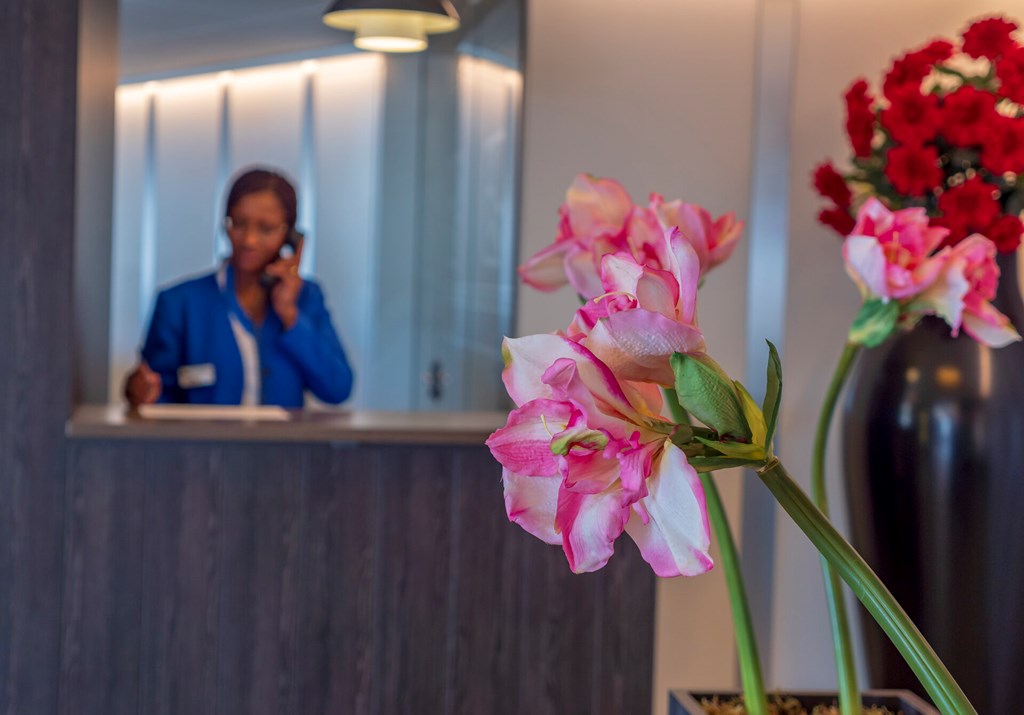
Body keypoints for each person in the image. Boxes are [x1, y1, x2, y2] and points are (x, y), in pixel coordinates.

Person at [124, 167, 353, 408]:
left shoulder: (306, 298)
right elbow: (156, 397)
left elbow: (337, 389)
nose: (248, 240)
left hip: (281, 446)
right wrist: (141, 393)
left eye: (265, 228)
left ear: (291, 237)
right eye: (238, 223)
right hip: (204, 445)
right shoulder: (179, 303)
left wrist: (290, 315)